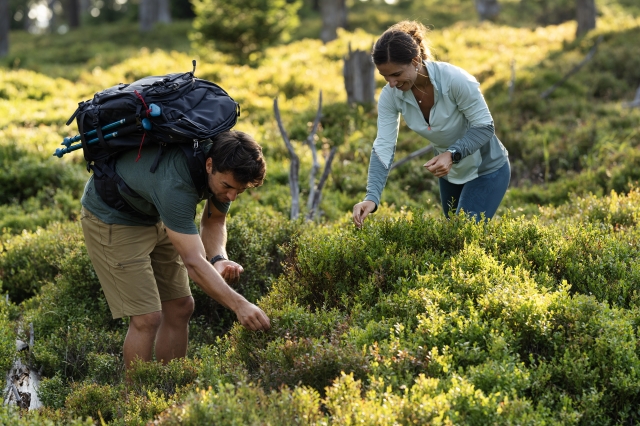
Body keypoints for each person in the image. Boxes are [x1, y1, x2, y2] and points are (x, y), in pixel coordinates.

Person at [80, 130, 271, 369]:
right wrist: (240, 305)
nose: (231, 195)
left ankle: (169, 386)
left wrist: (219, 258)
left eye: (240, 191)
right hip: (113, 218)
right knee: (147, 317)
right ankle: (136, 401)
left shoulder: (225, 168)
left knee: (180, 306)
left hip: (156, 212)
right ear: (209, 164)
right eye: (228, 187)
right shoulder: (176, 184)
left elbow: (214, 220)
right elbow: (193, 261)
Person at [352, 20, 510, 228]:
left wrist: (452, 154)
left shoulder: (455, 80)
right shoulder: (391, 95)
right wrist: (372, 196)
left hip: (487, 170)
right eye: (385, 76)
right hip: (450, 175)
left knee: (462, 234)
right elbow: (383, 145)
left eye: (396, 74)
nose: (391, 83)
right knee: (451, 240)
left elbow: (485, 127)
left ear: (415, 60)